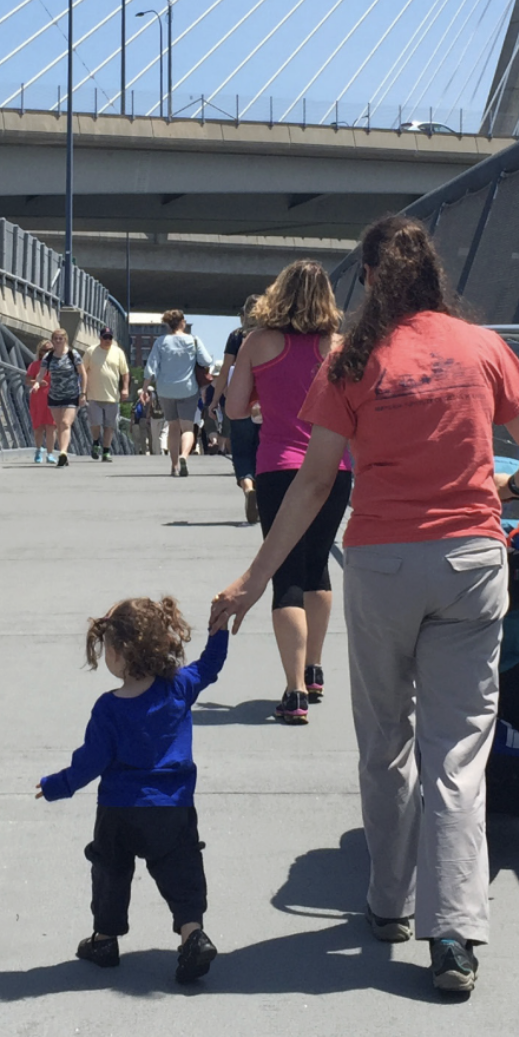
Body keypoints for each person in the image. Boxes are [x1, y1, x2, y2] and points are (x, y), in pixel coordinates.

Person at [210, 214, 519, 998]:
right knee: (459, 752)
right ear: (433, 272)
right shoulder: (484, 346)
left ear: (367, 281)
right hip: (471, 561)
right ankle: (455, 936)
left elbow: (313, 483)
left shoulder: (353, 361)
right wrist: (506, 491)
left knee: (385, 739)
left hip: (381, 565)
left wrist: (254, 580)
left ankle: (388, 904)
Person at [36, 596, 227, 984]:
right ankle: (193, 934)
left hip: (119, 810)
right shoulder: (178, 688)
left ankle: (105, 939)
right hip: (171, 807)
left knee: (110, 869)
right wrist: (219, 631)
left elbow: (90, 762)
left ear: (118, 654)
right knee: (182, 867)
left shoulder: (108, 709)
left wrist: (57, 786)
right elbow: (210, 666)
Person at [224, 260, 351, 727]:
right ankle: (315, 669)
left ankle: (294, 691)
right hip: (336, 467)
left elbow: (237, 408)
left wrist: (268, 402)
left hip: (279, 469)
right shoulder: (339, 347)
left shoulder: (257, 342)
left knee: (285, 574)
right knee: (317, 565)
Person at [142, 309, 212, 476]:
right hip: (188, 389)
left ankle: (174, 466)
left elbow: (151, 368)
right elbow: (206, 360)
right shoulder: (193, 340)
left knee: (173, 427)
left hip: (165, 389)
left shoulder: (161, 342)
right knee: (187, 428)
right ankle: (184, 457)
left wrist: (144, 389)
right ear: (183, 323)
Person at [221, 297, 262, 524]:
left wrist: (214, 399)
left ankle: (248, 488)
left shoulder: (237, 337)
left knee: (242, 451)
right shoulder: (272, 335)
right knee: (263, 451)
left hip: (240, 402)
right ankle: (265, 498)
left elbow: (226, 369)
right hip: (265, 404)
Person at [82, 326, 130, 462]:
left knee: (110, 425)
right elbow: (82, 370)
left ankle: (106, 451)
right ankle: (96, 441)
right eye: (105, 337)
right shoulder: (91, 351)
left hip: (112, 396)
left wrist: (125, 388)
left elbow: (125, 372)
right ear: (100, 338)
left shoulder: (118, 352)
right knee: (95, 424)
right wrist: (83, 390)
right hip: (94, 395)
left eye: (110, 338)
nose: (108, 340)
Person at [40, 328, 85, 467]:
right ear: (52, 340)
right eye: (56, 338)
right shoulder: (48, 356)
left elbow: (83, 374)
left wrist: (83, 393)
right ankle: (63, 453)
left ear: (65, 340)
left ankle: (63, 453)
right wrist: (36, 383)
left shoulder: (73, 355)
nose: (58, 341)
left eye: (61, 338)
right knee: (59, 426)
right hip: (55, 395)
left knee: (66, 423)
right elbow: (41, 373)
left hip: (71, 395)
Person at [25, 337, 54, 463]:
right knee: (39, 427)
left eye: (50, 350)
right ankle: (38, 449)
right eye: (44, 350)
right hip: (38, 398)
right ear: (40, 351)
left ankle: (50, 453)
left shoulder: (57, 365)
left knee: (52, 426)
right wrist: (36, 382)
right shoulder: (35, 365)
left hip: (53, 398)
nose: (47, 352)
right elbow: (27, 380)